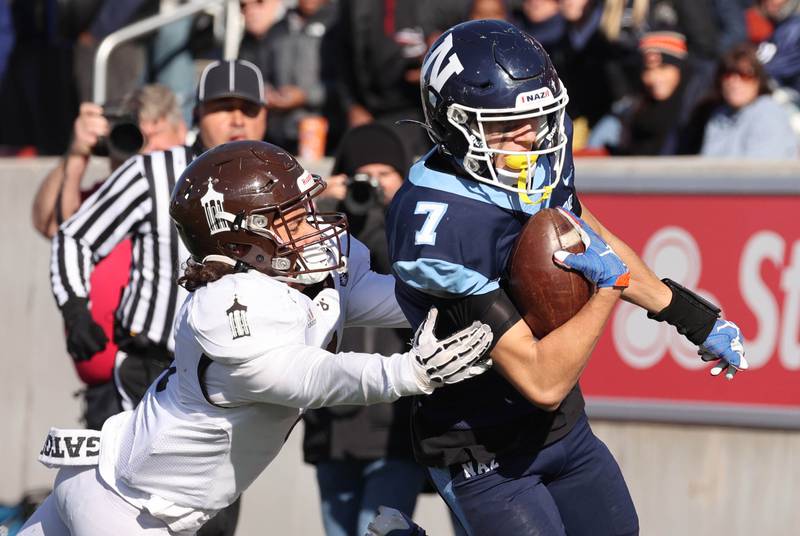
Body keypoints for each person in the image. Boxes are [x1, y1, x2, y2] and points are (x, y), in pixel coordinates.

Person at [20, 140, 494, 535]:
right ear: (242, 244)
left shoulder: (303, 274)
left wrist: (481, 292)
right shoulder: (226, 309)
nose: (313, 223)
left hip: (141, 499)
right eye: (292, 217)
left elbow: (395, 297)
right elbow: (306, 376)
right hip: (121, 507)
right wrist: (406, 371)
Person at [386, 19, 748, 535]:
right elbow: (542, 379)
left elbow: (588, 233)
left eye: (535, 118)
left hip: (562, 431)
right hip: (480, 447)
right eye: (504, 125)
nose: (529, 136)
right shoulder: (437, 225)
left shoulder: (534, 160)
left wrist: (689, 315)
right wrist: (608, 290)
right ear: (452, 124)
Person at [48, 59, 268, 535]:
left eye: (248, 108)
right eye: (223, 107)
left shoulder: (275, 187)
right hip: (148, 375)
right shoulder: (155, 171)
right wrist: (74, 308)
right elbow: (75, 237)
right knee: (124, 514)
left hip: (227, 384)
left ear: (265, 116)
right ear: (197, 113)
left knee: (211, 525)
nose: (237, 120)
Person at [32, 84, 188, 430]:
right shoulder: (110, 197)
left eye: (154, 135)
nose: (145, 153)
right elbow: (53, 224)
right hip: (107, 382)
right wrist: (77, 154)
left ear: (180, 133)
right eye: (137, 136)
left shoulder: (184, 198)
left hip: (165, 372)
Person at [303, 124, 428, 536]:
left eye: (384, 175)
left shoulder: (417, 232)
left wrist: (381, 215)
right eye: (362, 176)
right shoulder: (319, 235)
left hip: (393, 426)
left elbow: (400, 272)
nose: (372, 185)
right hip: (331, 425)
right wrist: (322, 211)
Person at [699, 43, 798, 158]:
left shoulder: (768, 112)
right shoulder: (719, 115)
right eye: (728, 75)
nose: (734, 82)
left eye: (745, 75)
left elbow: (761, 171)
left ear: (759, 80)